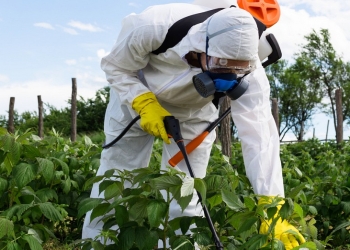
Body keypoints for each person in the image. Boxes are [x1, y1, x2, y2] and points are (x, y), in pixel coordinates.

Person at [82, 1, 305, 249]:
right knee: (117, 179)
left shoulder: (253, 75)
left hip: (194, 113)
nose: (229, 75)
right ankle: (98, 244)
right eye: (221, 65)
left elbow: (260, 137)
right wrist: (143, 102)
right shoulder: (156, 25)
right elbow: (116, 66)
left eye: (237, 69)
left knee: (184, 192)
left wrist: (271, 203)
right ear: (203, 45)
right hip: (134, 98)